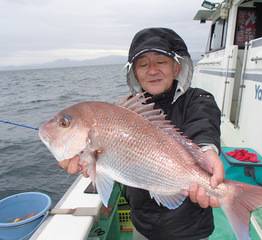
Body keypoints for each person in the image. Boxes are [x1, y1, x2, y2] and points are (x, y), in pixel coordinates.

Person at [59, 27, 224, 240]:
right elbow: (121, 161)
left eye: (161, 62)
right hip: (143, 225)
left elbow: (204, 125)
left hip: (189, 229)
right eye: (143, 64)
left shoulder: (198, 99)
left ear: (176, 67)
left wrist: (206, 150)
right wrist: (92, 166)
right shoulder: (126, 110)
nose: (152, 70)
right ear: (134, 72)